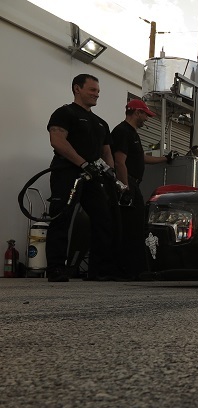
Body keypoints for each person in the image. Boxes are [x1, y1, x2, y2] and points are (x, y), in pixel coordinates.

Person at [46, 73, 117, 282]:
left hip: (93, 176)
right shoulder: (64, 113)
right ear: (77, 89)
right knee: (61, 217)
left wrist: (110, 174)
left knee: (103, 218)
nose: (96, 95)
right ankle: (56, 269)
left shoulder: (101, 123)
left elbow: (107, 153)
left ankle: (98, 270)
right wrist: (82, 163)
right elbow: (57, 141)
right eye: (92, 90)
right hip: (67, 172)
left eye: (98, 91)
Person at [111, 99, 174, 280]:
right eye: (145, 115)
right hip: (128, 184)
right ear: (137, 112)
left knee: (134, 226)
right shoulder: (123, 131)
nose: (146, 119)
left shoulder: (132, 134)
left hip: (132, 183)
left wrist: (164, 159)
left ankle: (131, 269)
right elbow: (119, 161)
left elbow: (141, 158)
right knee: (132, 227)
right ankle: (129, 270)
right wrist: (125, 188)